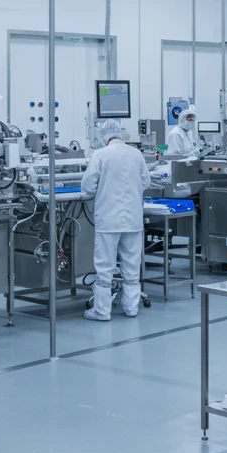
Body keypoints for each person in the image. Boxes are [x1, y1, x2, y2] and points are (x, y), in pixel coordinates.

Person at [80, 120, 151, 321]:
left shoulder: (100, 155)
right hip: (133, 218)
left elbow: (88, 185)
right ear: (121, 134)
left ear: (104, 136)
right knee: (131, 263)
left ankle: (102, 311)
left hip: (109, 217)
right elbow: (146, 181)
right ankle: (131, 307)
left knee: (105, 266)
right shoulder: (136, 154)